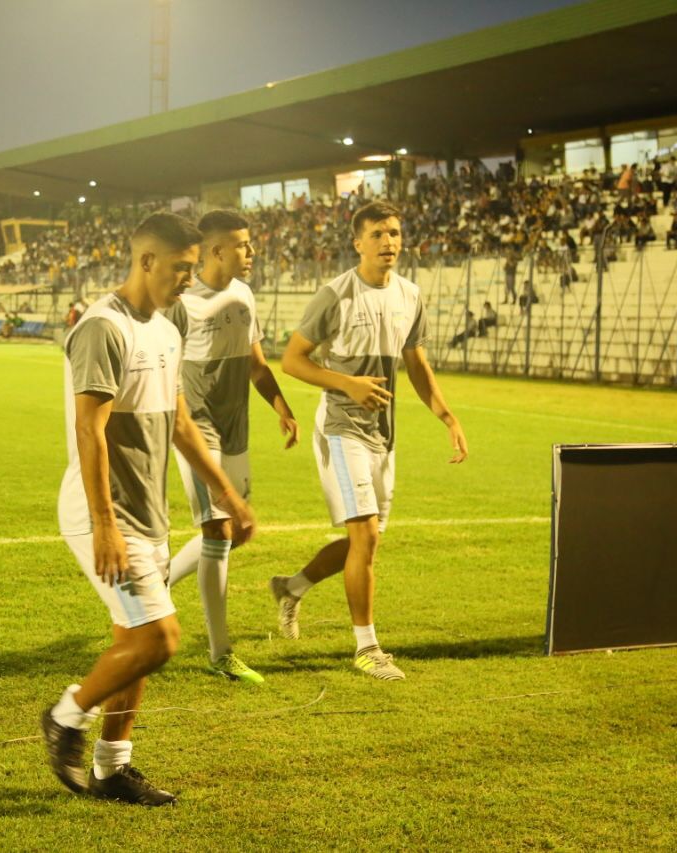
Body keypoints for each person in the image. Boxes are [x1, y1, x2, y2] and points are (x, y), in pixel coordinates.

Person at [42, 212, 255, 806]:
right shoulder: (102, 328)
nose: (189, 279)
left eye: (193, 268)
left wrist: (226, 493)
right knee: (159, 639)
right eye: (182, 268)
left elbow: (181, 419)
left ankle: (112, 770)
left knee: (130, 646)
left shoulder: (167, 324)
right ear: (146, 261)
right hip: (104, 512)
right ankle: (65, 716)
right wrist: (105, 524)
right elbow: (90, 430)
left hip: (149, 511)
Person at [269, 201, 467, 681]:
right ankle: (366, 648)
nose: (389, 242)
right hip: (341, 430)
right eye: (378, 234)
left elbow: (416, 363)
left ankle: (291, 587)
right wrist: (347, 384)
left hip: (383, 434)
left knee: (367, 542)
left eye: (395, 233)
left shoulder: (409, 295)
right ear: (358, 242)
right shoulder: (335, 294)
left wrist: (446, 414)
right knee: (366, 535)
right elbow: (292, 360)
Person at [162, 209, 298, 685]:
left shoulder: (243, 295)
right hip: (199, 431)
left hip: (236, 430)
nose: (252, 251)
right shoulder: (181, 304)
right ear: (216, 250)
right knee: (219, 531)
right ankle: (221, 655)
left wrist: (281, 405)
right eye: (242, 244)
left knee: (229, 531)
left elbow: (258, 364)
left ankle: (156, 580)